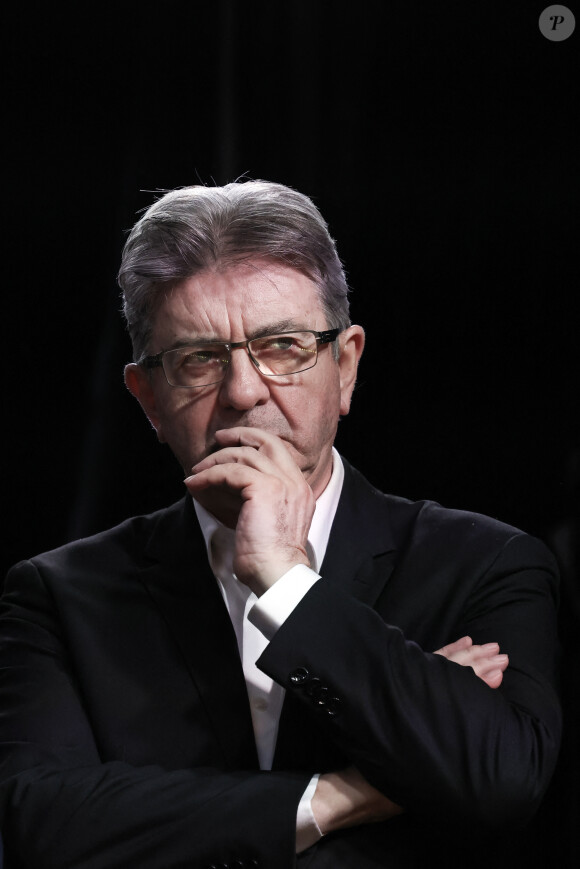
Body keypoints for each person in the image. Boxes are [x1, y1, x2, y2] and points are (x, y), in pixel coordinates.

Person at [0, 181, 561, 868]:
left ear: (345, 366)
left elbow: (501, 782)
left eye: (284, 345)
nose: (242, 391)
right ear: (148, 401)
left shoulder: (487, 564)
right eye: (198, 359)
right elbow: (43, 829)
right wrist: (334, 796)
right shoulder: (56, 596)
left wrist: (287, 581)